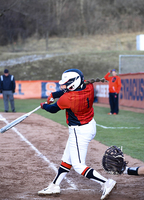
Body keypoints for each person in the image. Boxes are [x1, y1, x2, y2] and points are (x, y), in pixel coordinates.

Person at [38, 69, 116, 200]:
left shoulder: (68, 98)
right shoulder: (88, 86)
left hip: (79, 132)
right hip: (90, 125)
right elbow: (69, 90)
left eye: (66, 83)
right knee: (66, 158)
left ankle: (106, 183)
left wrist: (44, 105)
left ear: (73, 83)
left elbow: (52, 109)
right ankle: (55, 185)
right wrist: (54, 94)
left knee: (78, 165)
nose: (63, 86)